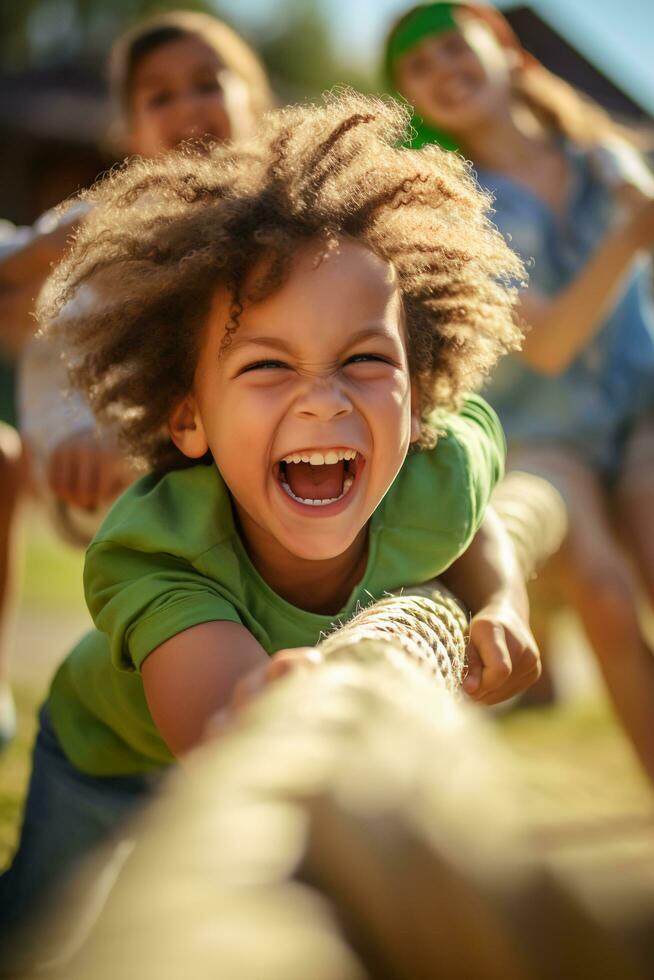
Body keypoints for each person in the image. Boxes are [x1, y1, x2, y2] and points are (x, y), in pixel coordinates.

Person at [0, 91, 540, 953]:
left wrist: (504, 603)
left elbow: (473, 515)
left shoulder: (435, 464)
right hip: (112, 762)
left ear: (421, 390)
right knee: (42, 932)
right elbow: (233, 738)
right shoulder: (157, 552)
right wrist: (282, 709)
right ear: (189, 419)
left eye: (366, 359)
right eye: (266, 365)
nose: (323, 401)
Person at [385, 2, 654, 772]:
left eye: (453, 48)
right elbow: (548, 345)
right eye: (418, 68)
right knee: (602, 598)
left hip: (640, 403)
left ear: (505, 50)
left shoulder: (596, 153)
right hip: (540, 426)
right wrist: (631, 236)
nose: (443, 70)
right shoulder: (452, 206)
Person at [0, 10, 274, 745]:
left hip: (235, 449)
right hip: (100, 447)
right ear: (130, 135)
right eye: (159, 97)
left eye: (207, 83)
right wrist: (48, 253)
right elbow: (26, 290)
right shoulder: (109, 215)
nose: (187, 107)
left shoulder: (290, 214)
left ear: (256, 99)